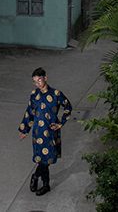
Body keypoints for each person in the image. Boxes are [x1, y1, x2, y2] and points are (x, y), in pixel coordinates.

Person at [17, 67, 72, 196]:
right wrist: (24, 130)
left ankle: (36, 176)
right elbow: (29, 113)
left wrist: (60, 123)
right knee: (42, 159)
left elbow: (68, 106)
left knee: (47, 159)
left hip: (51, 132)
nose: (38, 84)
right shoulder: (34, 95)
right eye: (35, 82)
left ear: (45, 78)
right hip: (38, 132)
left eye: (39, 80)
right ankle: (46, 185)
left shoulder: (56, 94)